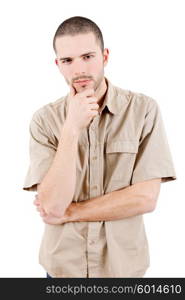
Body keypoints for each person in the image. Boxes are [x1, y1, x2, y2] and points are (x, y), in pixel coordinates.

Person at [23, 16, 176, 278]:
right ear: (57, 64)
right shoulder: (44, 120)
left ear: (105, 56)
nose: (79, 69)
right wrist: (71, 129)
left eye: (88, 56)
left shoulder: (142, 111)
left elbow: (145, 198)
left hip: (122, 272)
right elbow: (51, 205)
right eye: (67, 60)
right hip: (62, 271)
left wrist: (72, 212)